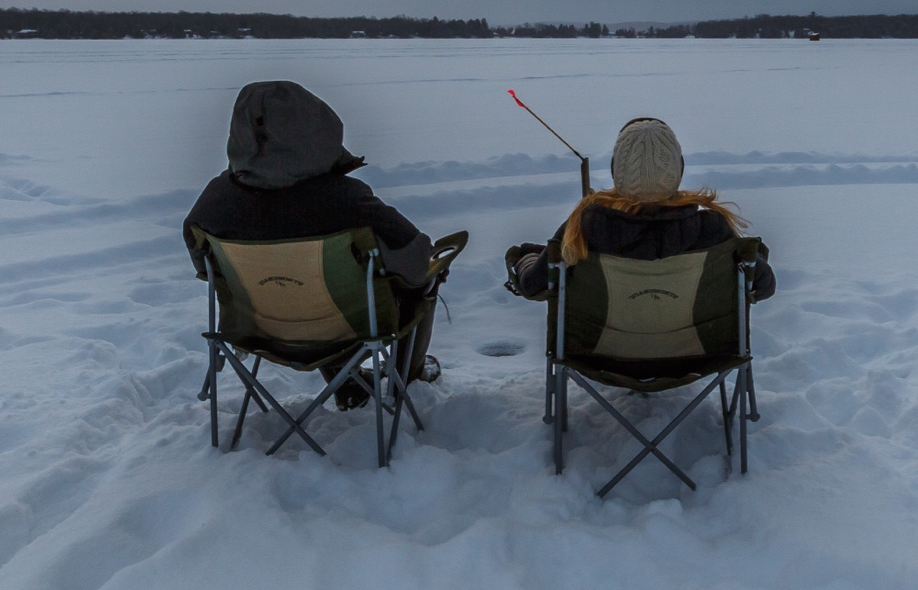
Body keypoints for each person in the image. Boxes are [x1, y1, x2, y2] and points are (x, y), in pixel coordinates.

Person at [185, 81, 442, 408]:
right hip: (345, 335)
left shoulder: (213, 203)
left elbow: (206, 268)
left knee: (304, 291)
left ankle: (348, 385)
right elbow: (417, 261)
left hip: (257, 334)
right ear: (316, 132)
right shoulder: (348, 201)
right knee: (425, 277)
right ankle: (408, 379)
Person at [505, 116, 776, 301]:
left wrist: (526, 260)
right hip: (696, 352)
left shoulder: (586, 226)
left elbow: (534, 285)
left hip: (599, 353)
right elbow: (762, 287)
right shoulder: (712, 229)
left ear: (616, 171)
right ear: (677, 170)